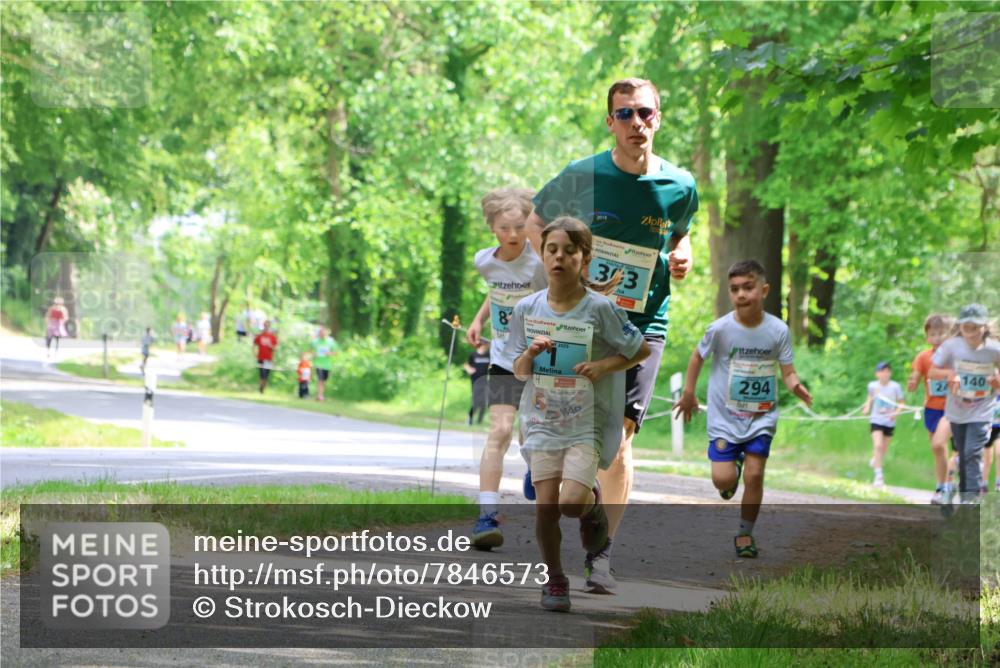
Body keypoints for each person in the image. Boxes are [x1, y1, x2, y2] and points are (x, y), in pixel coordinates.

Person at [526, 77, 698, 591]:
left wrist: (684, 254)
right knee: (569, 425)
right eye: (625, 114)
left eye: (644, 113)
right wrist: (565, 276)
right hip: (581, 321)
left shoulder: (680, 184)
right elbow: (537, 223)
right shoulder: (584, 175)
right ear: (610, 122)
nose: (635, 123)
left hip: (642, 326)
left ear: (658, 118)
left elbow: (681, 233)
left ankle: (601, 555)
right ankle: (579, 498)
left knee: (618, 443)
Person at [508, 217, 649, 611]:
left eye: (569, 251)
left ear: (584, 259)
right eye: (551, 249)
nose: (559, 257)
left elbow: (639, 349)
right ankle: (555, 579)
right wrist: (530, 354)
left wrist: (603, 366)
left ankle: (591, 504)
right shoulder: (526, 308)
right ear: (542, 254)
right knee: (546, 507)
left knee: (570, 503)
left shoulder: (600, 309)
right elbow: (518, 370)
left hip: (585, 421)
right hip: (541, 421)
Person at [675, 260, 812, 558]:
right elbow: (697, 357)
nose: (741, 294)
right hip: (725, 418)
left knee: (755, 475)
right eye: (734, 289)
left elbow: (788, 371)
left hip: (761, 416)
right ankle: (731, 469)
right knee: (722, 481)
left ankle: (745, 533)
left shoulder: (778, 330)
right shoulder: (720, 329)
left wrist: (796, 386)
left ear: (764, 290)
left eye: (748, 287)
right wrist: (689, 393)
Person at [465, 187, 548, 549]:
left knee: (532, 434)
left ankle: (534, 466)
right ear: (492, 227)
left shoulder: (540, 262)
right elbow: (497, 289)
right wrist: (479, 319)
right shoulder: (484, 260)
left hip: (539, 360)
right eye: (504, 228)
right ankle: (486, 516)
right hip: (502, 359)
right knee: (499, 430)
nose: (512, 235)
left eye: (519, 227)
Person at [930, 304, 1000, 504]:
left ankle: (970, 500)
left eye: (975, 326)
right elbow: (933, 372)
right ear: (960, 326)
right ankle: (964, 497)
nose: (970, 330)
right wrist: (949, 374)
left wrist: (997, 382)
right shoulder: (951, 346)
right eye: (966, 326)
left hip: (982, 410)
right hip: (957, 410)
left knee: (972, 452)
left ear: (984, 326)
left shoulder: (995, 349)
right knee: (963, 452)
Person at [907, 314, 955, 503]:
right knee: (938, 450)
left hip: (953, 408)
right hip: (932, 408)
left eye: (941, 334)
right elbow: (916, 375)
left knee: (938, 443)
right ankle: (943, 486)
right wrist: (913, 382)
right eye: (933, 334)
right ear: (927, 337)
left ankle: (945, 487)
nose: (937, 338)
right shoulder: (923, 357)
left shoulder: (956, 356)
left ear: (949, 335)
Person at [862, 361, 904, 488]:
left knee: (883, 450)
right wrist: (867, 407)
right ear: (877, 374)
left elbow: (901, 402)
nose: (885, 374)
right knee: (878, 446)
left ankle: (876, 460)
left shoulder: (895, 387)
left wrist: (896, 413)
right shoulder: (872, 386)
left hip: (889, 421)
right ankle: (878, 476)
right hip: (876, 420)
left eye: (887, 371)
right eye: (882, 371)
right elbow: (870, 398)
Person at [464, 341, 491, 425]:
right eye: (484, 345)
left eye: (487, 345)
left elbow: (491, 365)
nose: (486, 346)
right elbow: (466, 364)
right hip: (475, 381)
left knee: (483, 401)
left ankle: (479, 421)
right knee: (476, 401)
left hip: (485, 381)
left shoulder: (488, 355)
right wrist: (469, 369)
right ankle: (470, 418)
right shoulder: (473, 355)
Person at [311, 326, 340, 402]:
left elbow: (336, 352)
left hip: (327, 364)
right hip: (318, 363)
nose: (322, 334)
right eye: (321, 333)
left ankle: (320, 394)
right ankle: (320, 396)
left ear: (327, 333)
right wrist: (313, 354)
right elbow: (309, 350)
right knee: (320, 379)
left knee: (324, 380)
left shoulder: (331, 342)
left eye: (323, 332)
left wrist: (330, 353)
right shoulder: (315, 341)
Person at [253, 320, 279, 394]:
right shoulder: (260, 335)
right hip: (261, 358)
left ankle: (263, 389)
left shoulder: (272, 337)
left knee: (266, 375)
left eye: (268, 325)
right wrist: (255, 354)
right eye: (265, 325)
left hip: (269, 359)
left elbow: (276, 348)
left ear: (269, 326)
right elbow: (254, 345)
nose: (266, 327)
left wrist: (271, 346)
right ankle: (260, 389)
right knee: (262, 374)